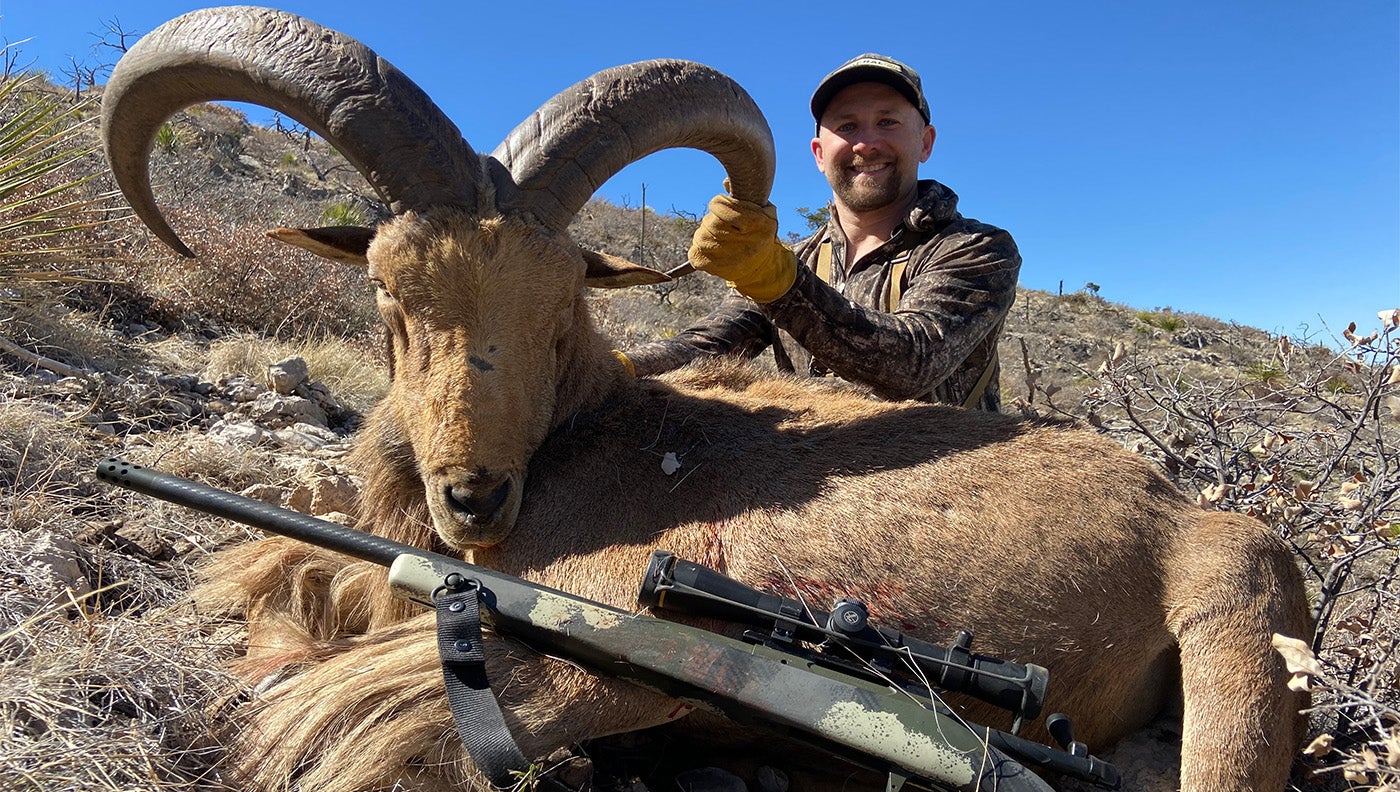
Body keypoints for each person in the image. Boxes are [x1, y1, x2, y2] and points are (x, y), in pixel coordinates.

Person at [623, 53, 1021, 410]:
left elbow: (913, 361)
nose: (866, 143)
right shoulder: (793, 260)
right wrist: (614, 368)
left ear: (925, 142)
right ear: (818, 153)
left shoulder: (977, 249)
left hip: (954, 485)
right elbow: (710, 345)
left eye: (888, 121)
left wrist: (778, 282)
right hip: (824, 483)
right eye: (847, 126)